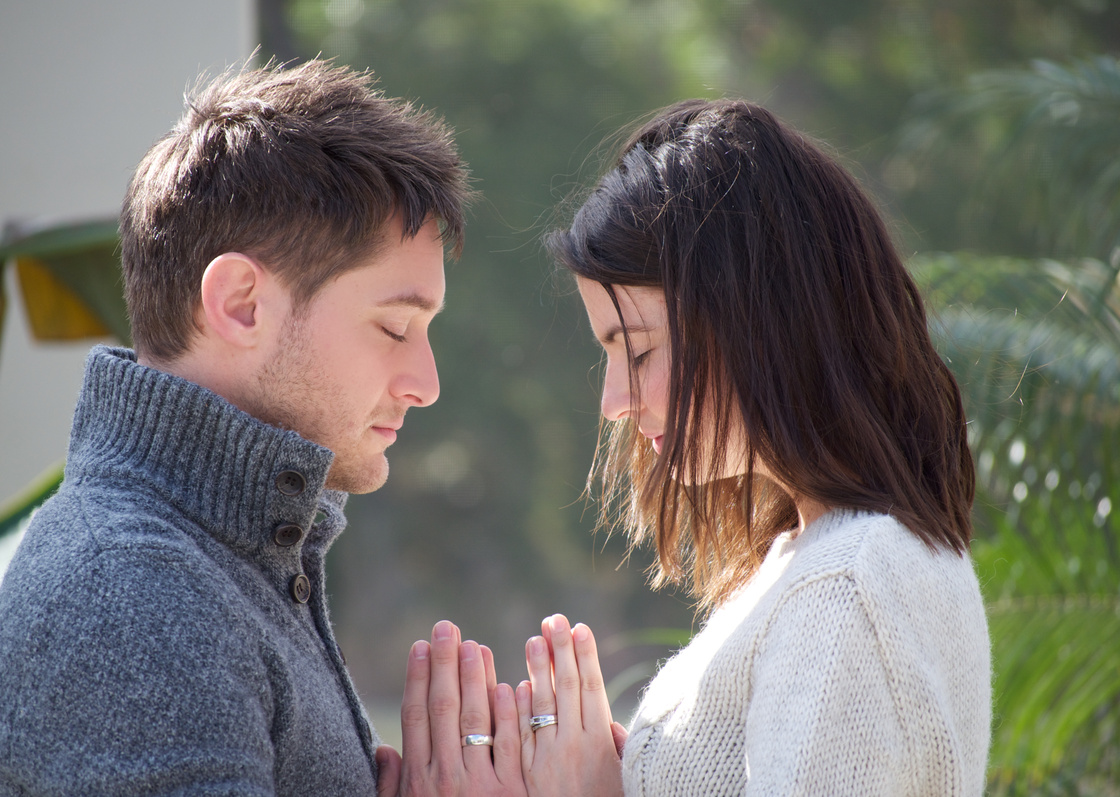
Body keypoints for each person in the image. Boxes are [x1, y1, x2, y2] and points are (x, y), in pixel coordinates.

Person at [388, 99, 991, 796]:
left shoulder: (846, 586)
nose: (615, 401)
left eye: (639, 350)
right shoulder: (824, 561)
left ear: (758, 318)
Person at [0, 58, 470, 795]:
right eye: (395, 327)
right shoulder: (134, 596)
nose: (425, 383)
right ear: (240, 302)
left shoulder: (216, 563)